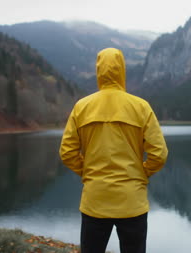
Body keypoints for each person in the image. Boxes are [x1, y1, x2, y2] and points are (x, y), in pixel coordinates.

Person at [59, 47, 168, 253]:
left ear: (98, 70)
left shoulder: (82, 107)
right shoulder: (141, 107)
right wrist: (141, 173)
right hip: (132, 201)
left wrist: (88, 173)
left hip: (95, 199)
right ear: (122, 70)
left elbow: (67, 152)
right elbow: (159, 154)